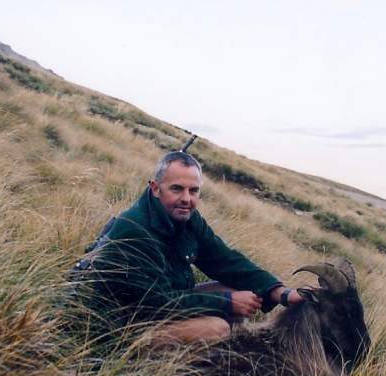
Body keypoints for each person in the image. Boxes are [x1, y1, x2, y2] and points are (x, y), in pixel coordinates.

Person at [73, 149, 304, 348]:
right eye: (177, 189)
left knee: (235, 287)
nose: (186, 199)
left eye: (193, 191)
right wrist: (227, 303)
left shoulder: (187, 218)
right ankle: (155, 374)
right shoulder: (134, 229)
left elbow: (226, 261)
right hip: (119, 328)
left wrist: (281, 293)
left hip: (159, 305)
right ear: (155, 188)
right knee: (216, 328)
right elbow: (155, 304)